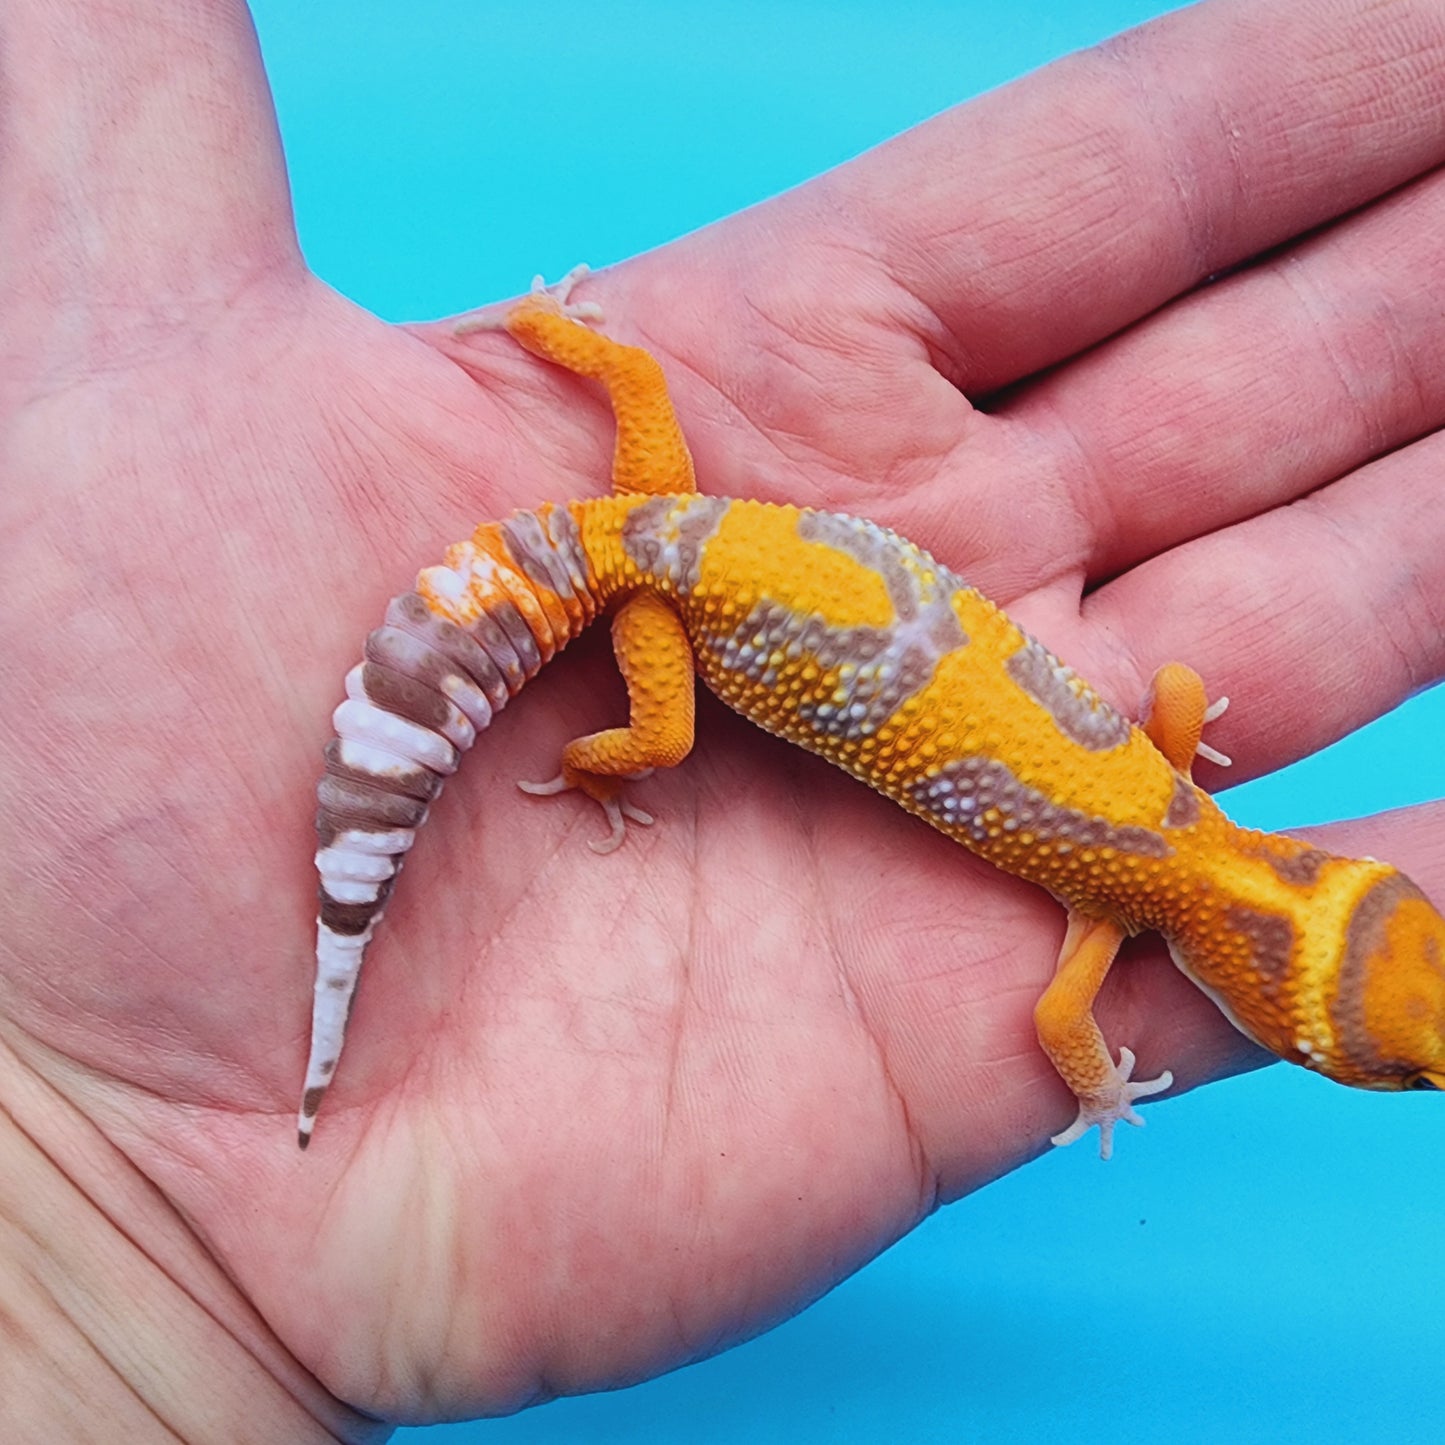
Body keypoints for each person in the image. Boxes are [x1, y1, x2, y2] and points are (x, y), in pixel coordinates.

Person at [3, 0, 1443, 1437]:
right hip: (662, 599)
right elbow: (1063, 1022)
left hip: (671, 531)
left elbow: (1176, 701)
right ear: (1265, 996)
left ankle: (557, 359)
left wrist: (558, 333)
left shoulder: (1159, 808)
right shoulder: (1108, 909)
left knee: (625, 390)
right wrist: (1098, 1091)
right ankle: (590, 774)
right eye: (1370, 1060)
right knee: (661, 743)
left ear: (1317, 883)